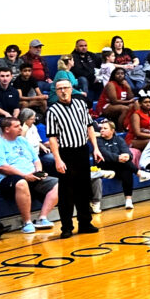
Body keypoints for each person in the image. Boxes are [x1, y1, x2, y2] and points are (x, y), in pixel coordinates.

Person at [47, 79, 101, 239]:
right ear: (56, 92)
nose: (63, 91)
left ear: (71, 89)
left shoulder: (80, 105)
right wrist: (57, 159)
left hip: (82, 150)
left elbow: (89, 127)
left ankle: (85, 223)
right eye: (59, 89)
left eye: (65, 88)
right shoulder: (53, 111)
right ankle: (66, 227)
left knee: (84, 189)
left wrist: (96, 148)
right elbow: (52, 138)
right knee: (66, 192)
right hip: (66, 153)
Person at [0, 117, 58, 234]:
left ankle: (42, 218)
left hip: (29, 175)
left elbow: (36, 159)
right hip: (4, 180)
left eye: (20, 125)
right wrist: (25, 175)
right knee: (21, 182)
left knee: (58, 184)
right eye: (17, 126)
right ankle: (27, 222)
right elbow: (2, 168)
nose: (21, 128)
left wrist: (38, 172)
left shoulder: (23, 141)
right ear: (7, 129)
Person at [98, 120, 150, 210]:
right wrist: (118, 158)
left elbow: (127, 151)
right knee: (125, 164)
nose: (102, 130)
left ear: (112, 131)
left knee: (127, 171)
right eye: (101, 128)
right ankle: (139, 173)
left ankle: (128, 200)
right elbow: (105, 154)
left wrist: (128, 156)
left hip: (119, 166)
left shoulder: (118, 139)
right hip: (105, 166)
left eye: (105, 128)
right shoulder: (99, 141)